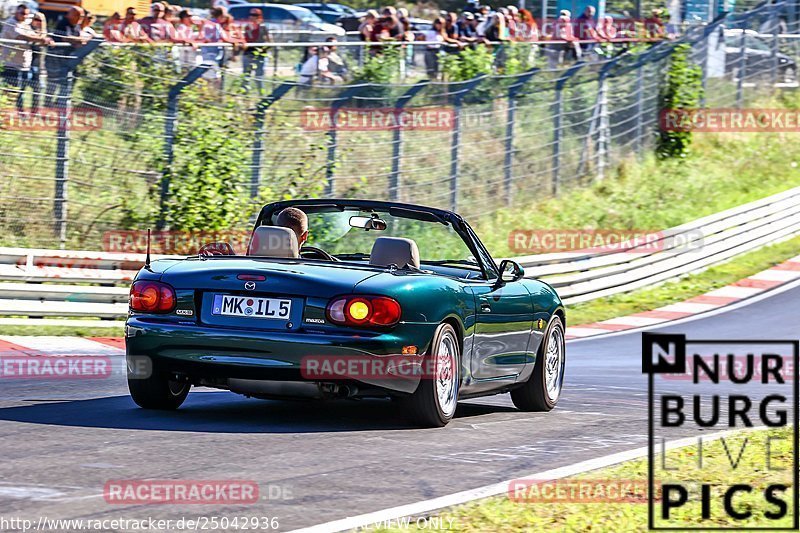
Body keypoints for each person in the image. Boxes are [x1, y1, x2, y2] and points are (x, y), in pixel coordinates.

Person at [0, 4, 53, 112]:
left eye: (27, 14)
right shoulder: (11, 23)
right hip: (11, 65)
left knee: (20, 92)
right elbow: (21, 36)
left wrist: (45, 39)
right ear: (16, 12)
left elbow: (35, 37)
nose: (24, 16)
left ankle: (18, 115)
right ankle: (7, 115)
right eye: (22, 13)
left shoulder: (25, 24)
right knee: (11, 93)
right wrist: (41, 40)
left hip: (24, 66)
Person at [45, 6, 89, 107]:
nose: (81, 18)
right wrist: (79, 40)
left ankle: (60, 104)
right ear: (71, 15)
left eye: (82, 16)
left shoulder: (76, 26)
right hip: (55, 58)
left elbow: (79, 40)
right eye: (78, 15)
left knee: (67, 82)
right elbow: (66, 38)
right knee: (52, 84)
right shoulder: (63, 23)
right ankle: (46, 107)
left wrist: (79, 40)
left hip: (67, 59)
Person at [243, 7, 270, 90]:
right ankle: (244, 95)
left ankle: (261, 95)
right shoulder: (247, 27)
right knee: (246, 75)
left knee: (259, 76)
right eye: (251, 15)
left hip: (260, 54)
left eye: (255, 15)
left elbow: (268, 40)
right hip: (248, 53)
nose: (252, 17)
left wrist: (265, 49)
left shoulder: (263, 27)